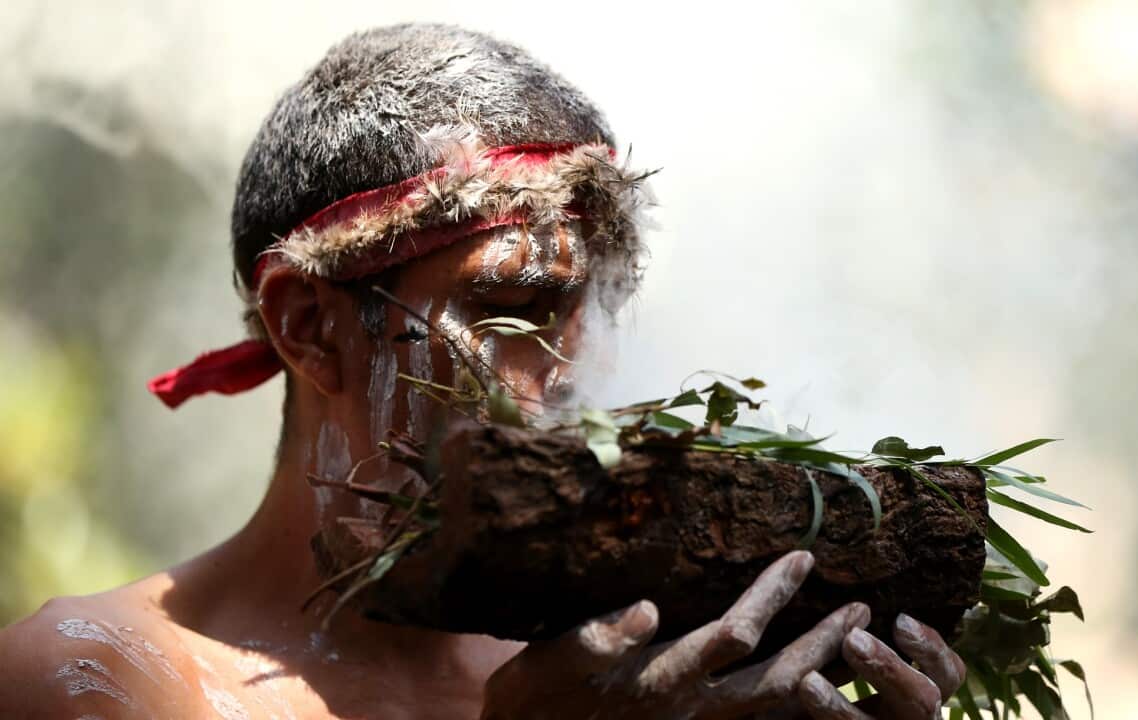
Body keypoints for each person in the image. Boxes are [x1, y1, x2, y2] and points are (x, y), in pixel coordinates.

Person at [0, 24, 965, 719]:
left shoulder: (638, 670)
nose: (582, 373)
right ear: (310, 326)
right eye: (520, 307)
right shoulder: (98, 683)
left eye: (597, 311)